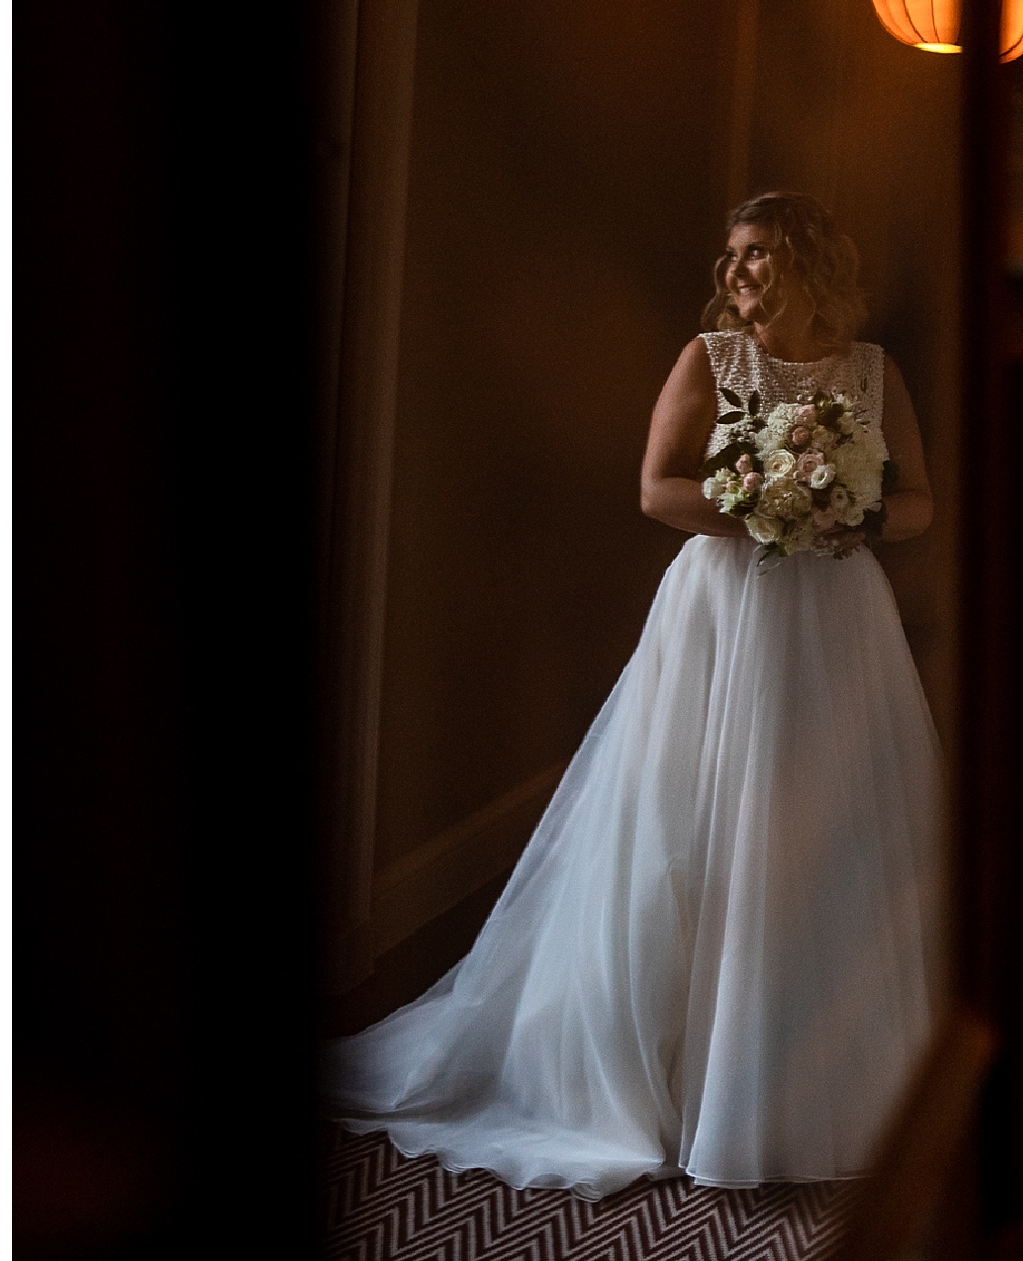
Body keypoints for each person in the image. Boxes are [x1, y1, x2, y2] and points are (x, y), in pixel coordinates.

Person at [328, 191, 947, 1196]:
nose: (740, 273)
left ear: (810, 263)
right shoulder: (709, 361)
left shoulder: (874, 373)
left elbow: (917, 500)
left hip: (838, 617)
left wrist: (848, 512)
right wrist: (760, 508)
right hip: (725, 609)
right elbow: (657, 486)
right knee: (695, 820)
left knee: (828, 821)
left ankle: (832, 1065)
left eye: (760, 255)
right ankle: (679, 1066)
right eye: (734, 255)